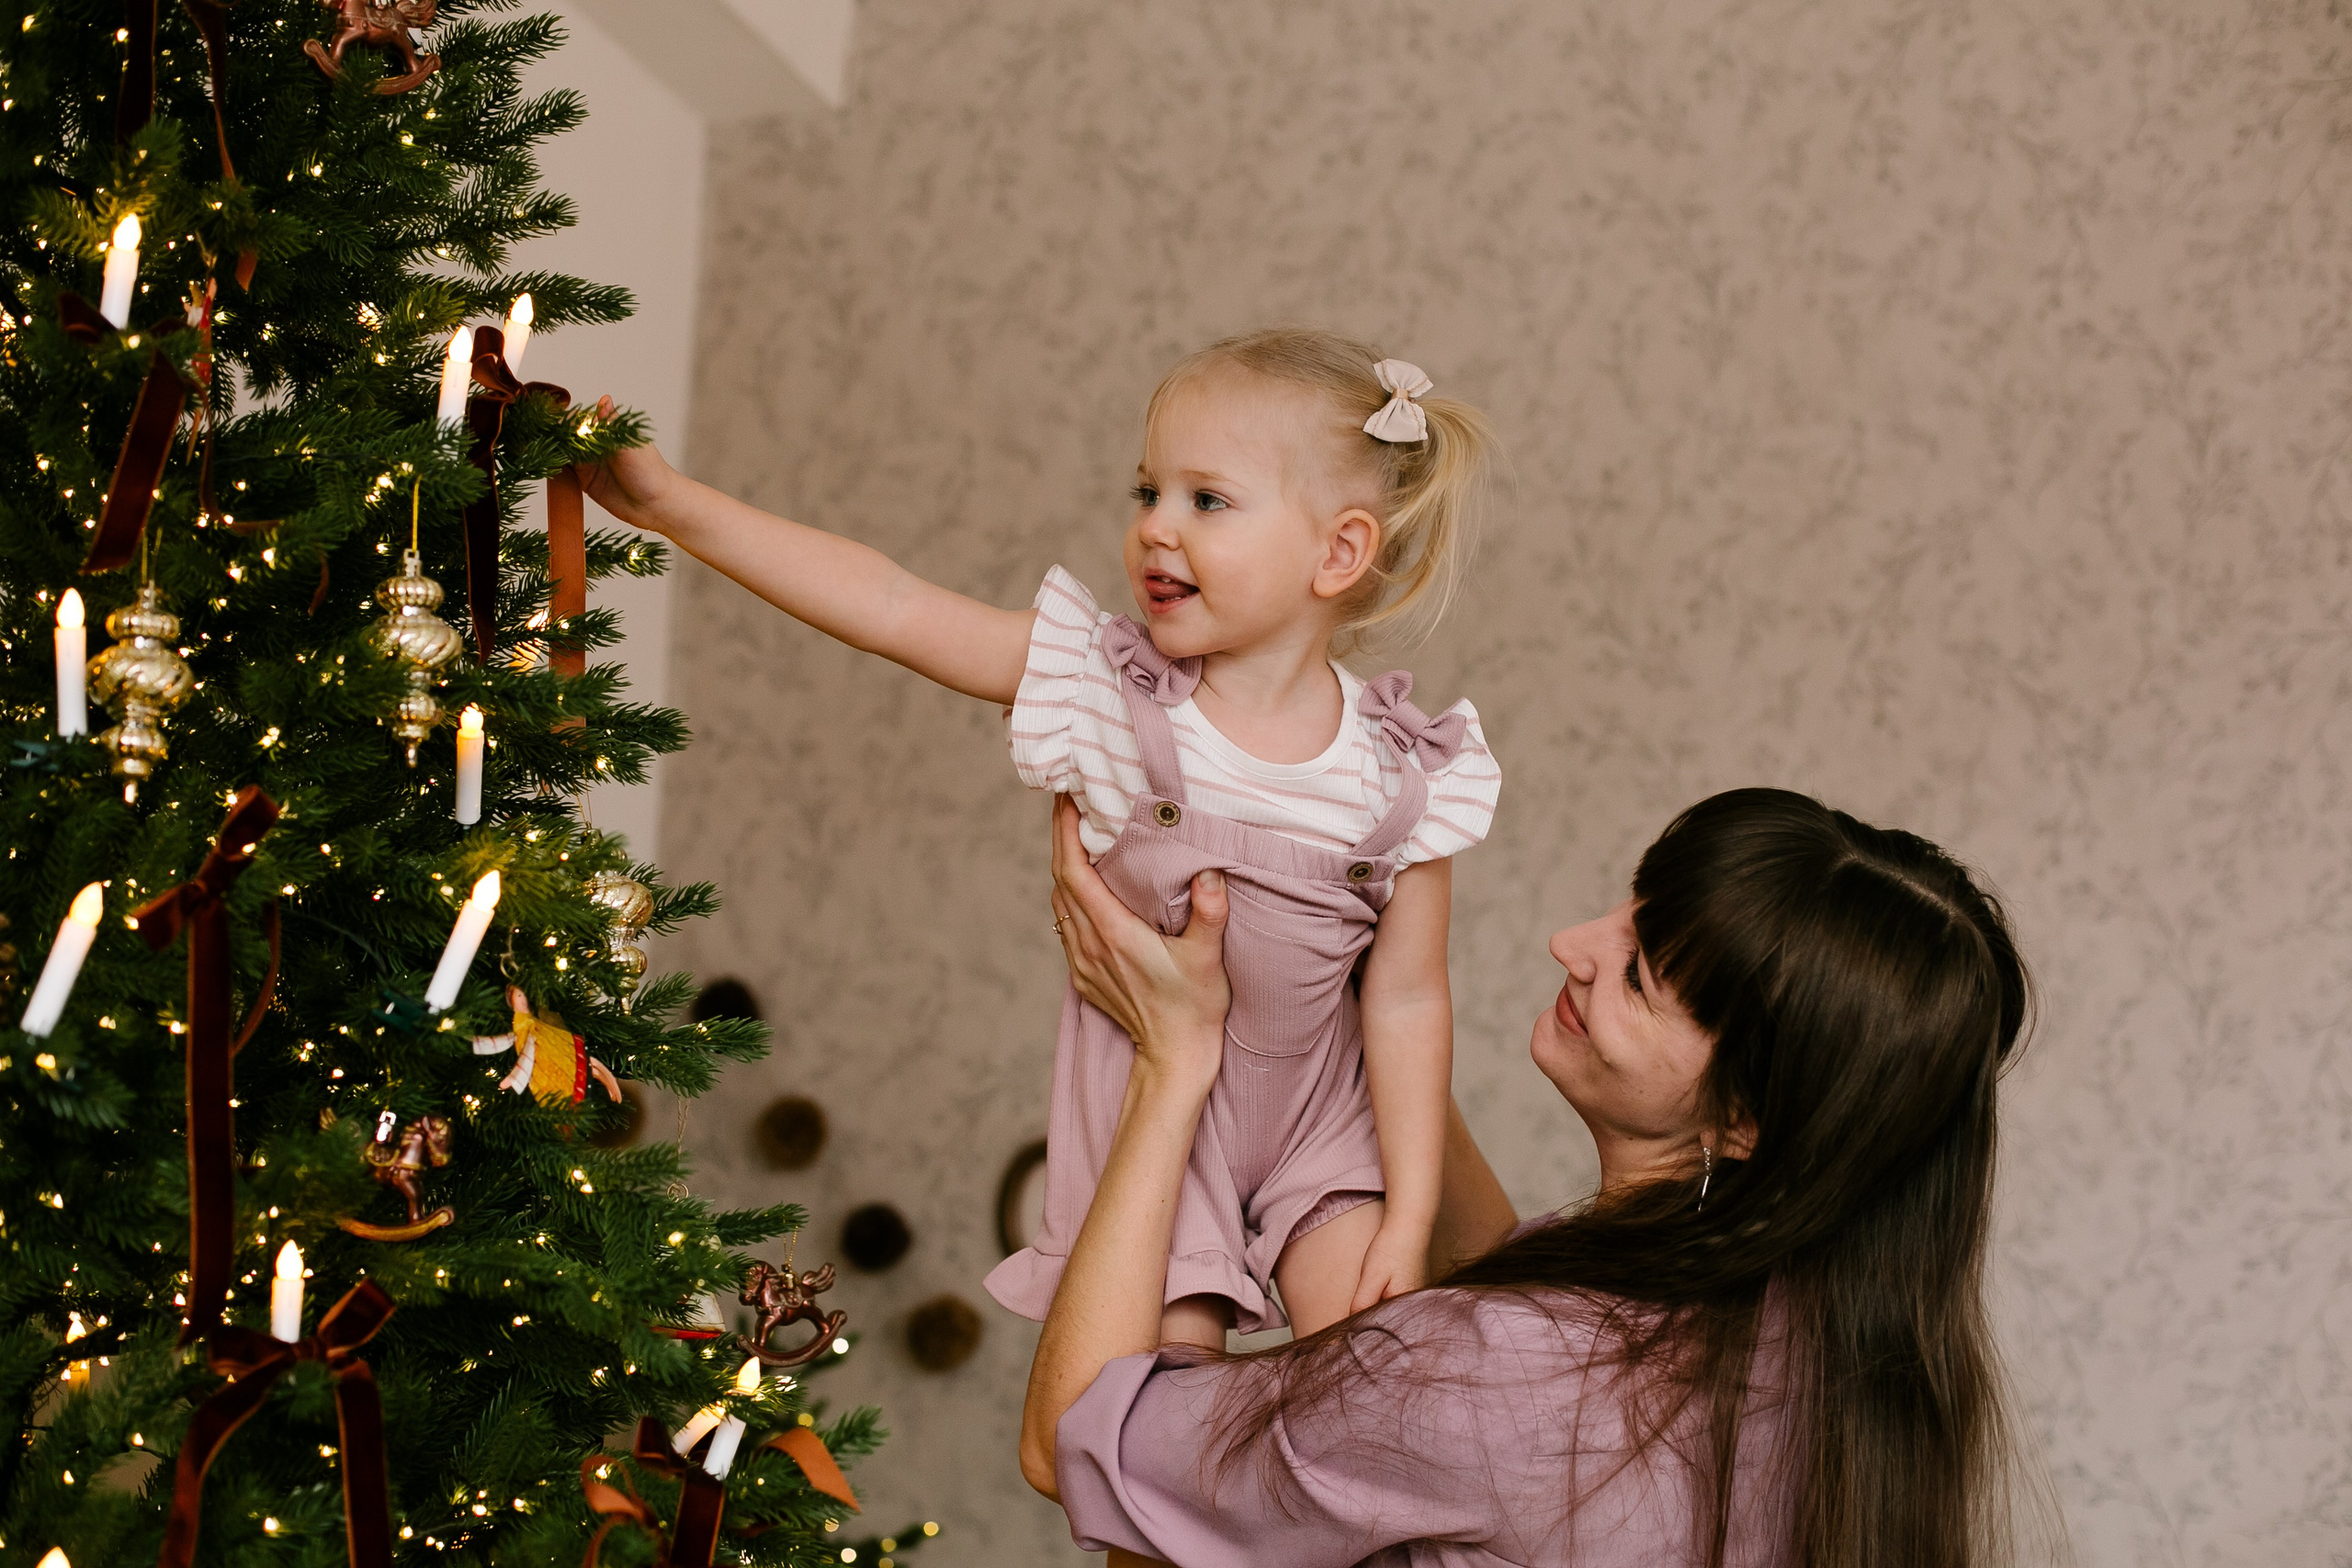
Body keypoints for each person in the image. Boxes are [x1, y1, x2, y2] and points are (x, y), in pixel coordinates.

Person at [582, 328, 1503, 1346]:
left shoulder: (1408, 770)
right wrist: (668, 505)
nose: (1156, 528)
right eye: (1145, 492)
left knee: (1367, 1376)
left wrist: (1410, 1211)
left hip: (1327, 1139)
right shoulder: (1103, 690)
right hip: (1153, 1141)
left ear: (1339, 551)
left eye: (1206, 500)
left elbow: (1411, 1001)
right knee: (1163, 1428)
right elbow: (892, 604)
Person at [1023, 787, 2045, 1567]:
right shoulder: (1835, 1365)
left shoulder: (1499, 1373)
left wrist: (1171, 1064)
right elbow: (1506, 1285)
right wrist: (1369, 1046)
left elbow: (1078, 1443)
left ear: (1743, 1118)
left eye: (1639, 974)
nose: (1573, 944)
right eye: (1631, 906)